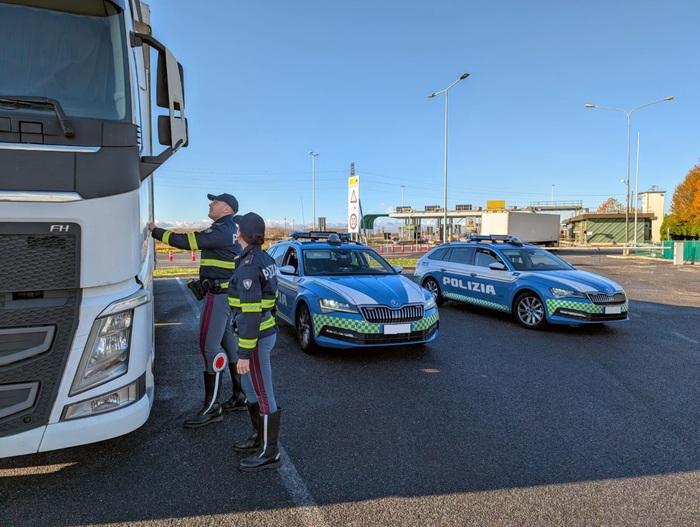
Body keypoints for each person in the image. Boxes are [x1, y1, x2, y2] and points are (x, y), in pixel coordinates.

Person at [149, 193, 247, 428]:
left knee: (209, 348)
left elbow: (188, 241)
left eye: (215, 202)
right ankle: (240, 395)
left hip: (218, 296)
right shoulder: (230, 228)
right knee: (230, 345)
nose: (210, 204)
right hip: (224, 296)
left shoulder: (222, 228)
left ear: (226, 208)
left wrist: (155, 231)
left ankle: (212, 408)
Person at [227, 212, 281, 472]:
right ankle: (259, 438)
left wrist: (245, 354)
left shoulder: (250, 264)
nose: (235, 232)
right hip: (260, 334)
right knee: (250, 389)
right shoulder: (263, 256)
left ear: (243, 234)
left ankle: (270, 453)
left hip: (256, 338)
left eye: (237, 229)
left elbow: (250, 314)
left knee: (262, 392)